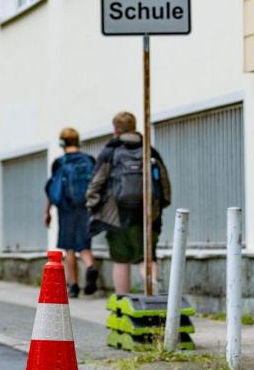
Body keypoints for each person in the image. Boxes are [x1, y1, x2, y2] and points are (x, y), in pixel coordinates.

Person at [86, 112, 172, 295]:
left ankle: (121, 302)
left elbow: (96, 183)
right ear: (134, 127)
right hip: (147, 216)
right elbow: (164, 183)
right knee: (146, 258)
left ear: (115, 130)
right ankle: (153, 290)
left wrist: (93, 207)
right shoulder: (149, 150)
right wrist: (159, 208)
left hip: (117, 216)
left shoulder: (110, 152)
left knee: (121, 260)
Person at [44, 128, 98, 298]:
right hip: (86, 208)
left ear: (62, 143)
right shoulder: (89, 160)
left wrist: (47, 212)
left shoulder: (59, 163)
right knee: (84, 244)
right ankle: (90, 267)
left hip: (66, 209)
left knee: (69, 248)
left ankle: (73, 286)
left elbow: (53, 189)